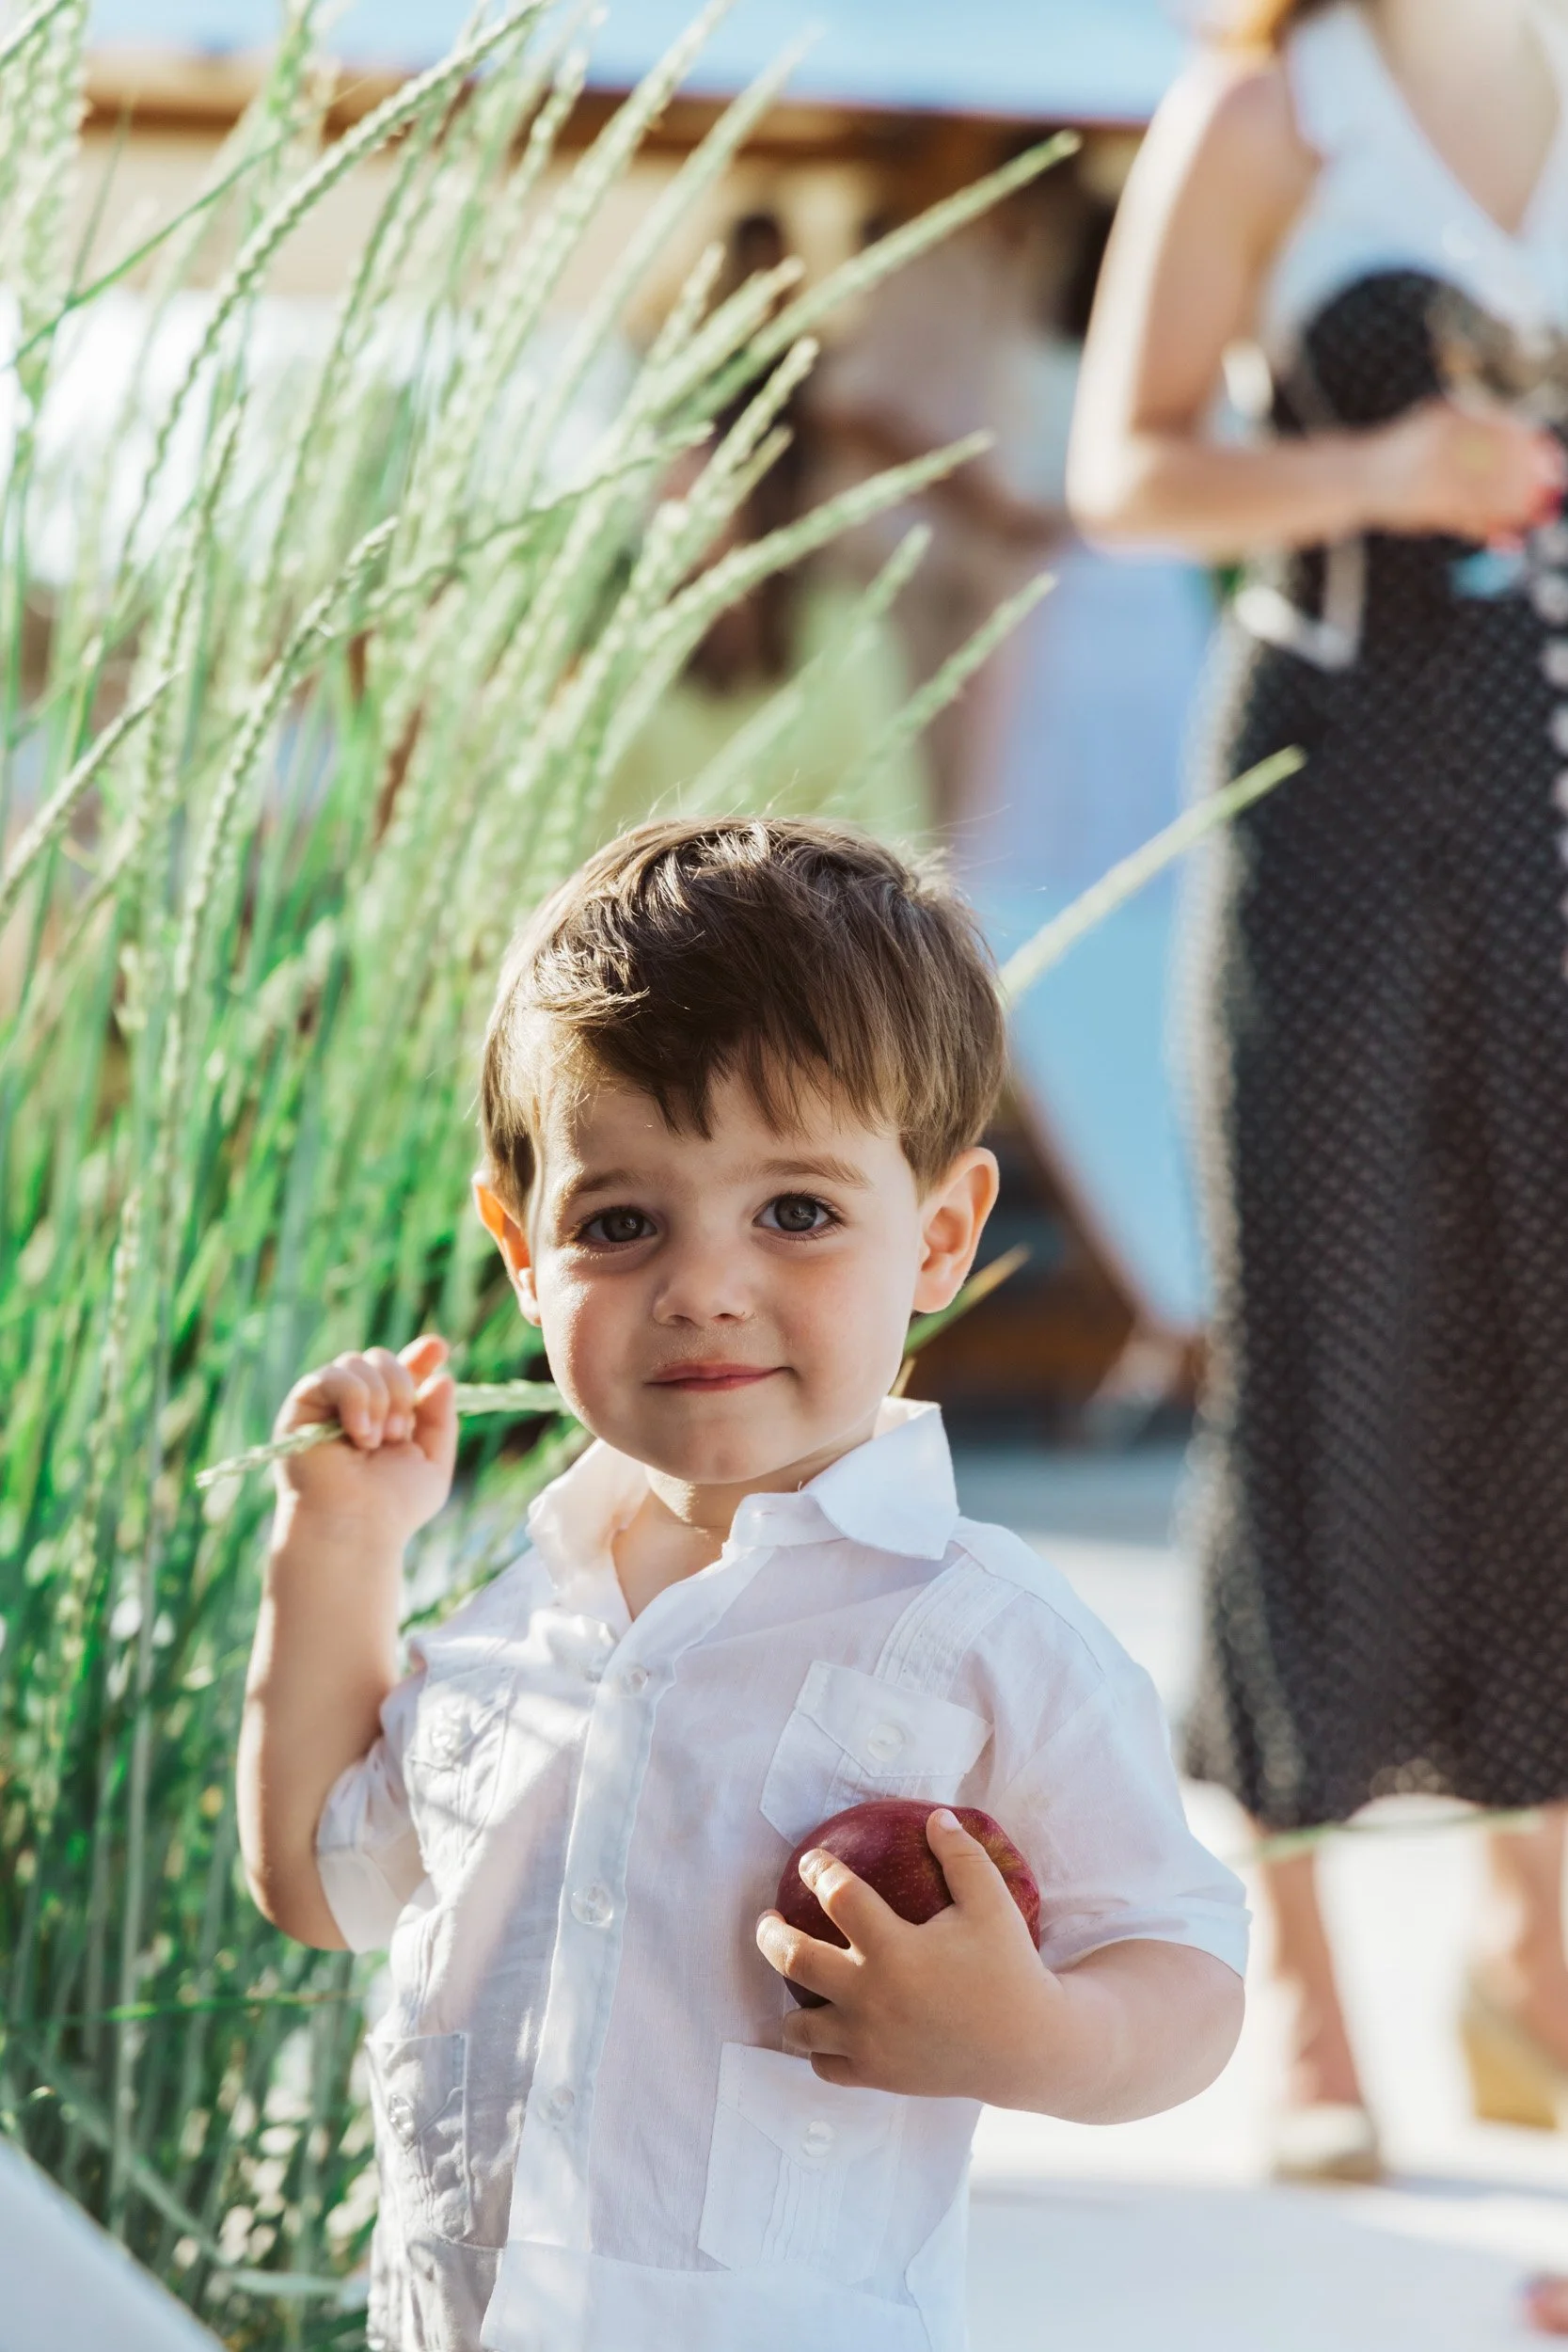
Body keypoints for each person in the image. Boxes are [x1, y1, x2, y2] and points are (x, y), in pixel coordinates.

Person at [236, 817, 1247, 2352]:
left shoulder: (977, 1631)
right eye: (620, 1222)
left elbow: (1185, 1969)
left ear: (941, 1232)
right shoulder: (516, 1617)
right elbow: (319, 1885)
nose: (702, 1283)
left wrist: (1041, 2035)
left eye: (795, 1212)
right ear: (521, 1248)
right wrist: (340, 1546)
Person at [1069, 0, 1568, 2194]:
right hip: (1335, 794)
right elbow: (1121, 465)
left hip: (1553, 796)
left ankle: (1530, 1953)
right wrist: (1378, 470)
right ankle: (1298, 1983)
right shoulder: (1271, 106)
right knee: (1322, 1328)